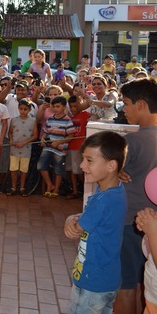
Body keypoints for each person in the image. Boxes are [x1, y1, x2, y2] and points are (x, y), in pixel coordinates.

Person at [64, 131, 127, 314]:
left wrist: (70, 220)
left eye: (89, 160)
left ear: (111, 165)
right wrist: (73, 218)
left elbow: (76, 229)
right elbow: (92, 218)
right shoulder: (115, 191)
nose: (83, 165)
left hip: (92, 283)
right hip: (108, 280)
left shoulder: (102, 200)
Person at [114, 78, 157, 314]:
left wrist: (113, 171)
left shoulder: (132, 142)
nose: (124, 109)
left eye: (127, 103)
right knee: (146, 285)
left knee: (127, 287)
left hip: (130, 222)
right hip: (153, 227)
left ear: (141, 105)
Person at [38, 96, 76, 197]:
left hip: (60, 150)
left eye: (58, 106)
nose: (55, 109)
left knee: (58, 170)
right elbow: (45, 131)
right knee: (41, 166)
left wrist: (59, 142)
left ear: (64, 107)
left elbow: (71, 135)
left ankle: (56, 190)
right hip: (48, 147)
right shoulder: (50, 119)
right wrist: (42, 138)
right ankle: (50, 185)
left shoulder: (67, 120)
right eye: (54, 106)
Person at [8, 99, 38, 196]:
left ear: (29, 110)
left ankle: (22, 187)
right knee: (13, 169)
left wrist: (24, 142)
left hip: (26, 149)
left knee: (24, 169)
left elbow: (35, 135)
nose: (23, 111)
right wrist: (11, 141)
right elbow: (10, 132)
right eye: (21, 109)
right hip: (14, 149)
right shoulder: (14, 120)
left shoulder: (33, 121)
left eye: (25, 109)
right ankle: (13, 187)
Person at [66, 95, 90, 200]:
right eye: (71, 106)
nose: (73, 109)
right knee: (71, 170)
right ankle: (75, 191)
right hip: (70, 146)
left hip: (79, 147)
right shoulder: (69, 117)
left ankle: (86, 191)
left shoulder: (85, 115)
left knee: (79, 171)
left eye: (75, 106)